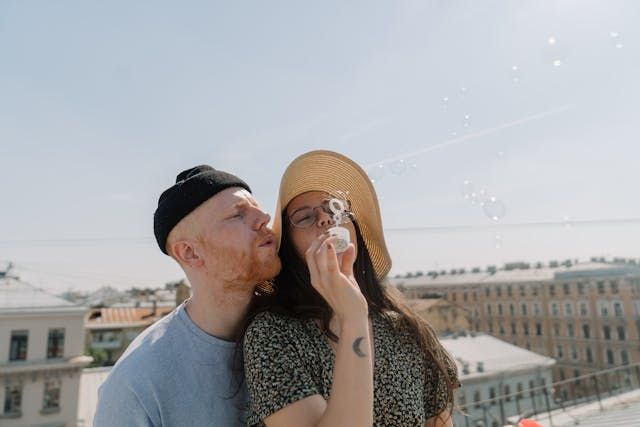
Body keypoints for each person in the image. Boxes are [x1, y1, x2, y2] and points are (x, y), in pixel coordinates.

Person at [242, 150, 459, 427]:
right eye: (305, 217)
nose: (325, 219)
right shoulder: (271, 334)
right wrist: (353, 317)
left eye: (334, 208)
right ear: (288, 248)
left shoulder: (406, 330)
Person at [94, 165, 281, 426]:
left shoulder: (298, 331)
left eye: (257, 207)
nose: (264, 217)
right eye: (238, 214)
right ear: (190, 253)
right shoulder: (136, 383)